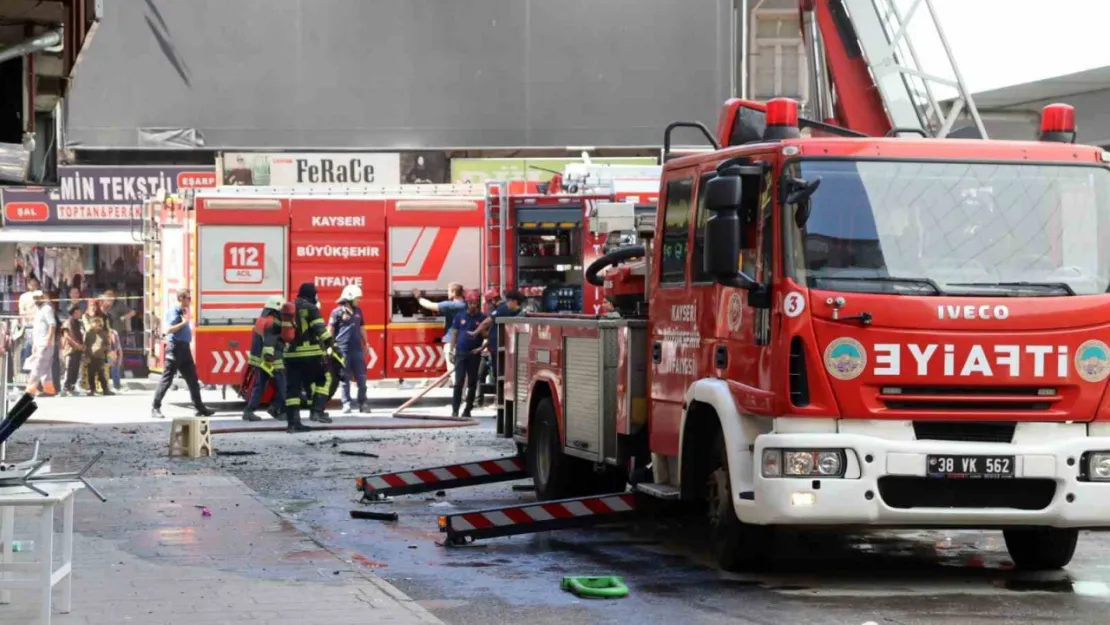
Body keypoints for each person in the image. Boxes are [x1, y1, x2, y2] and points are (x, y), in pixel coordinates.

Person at [151, 290, 213, 419]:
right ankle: (155, 407)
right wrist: (185, 322)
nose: (190, 301)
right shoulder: (174, 311)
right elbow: (170, 329)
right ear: (181, 298)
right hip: (175, 348)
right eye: (188, 298)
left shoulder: (184, 311)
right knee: (167, 380)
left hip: (185, 349)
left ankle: (200, 407)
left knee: (193, 380)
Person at [284, 283, 336, 432]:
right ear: (311, 293)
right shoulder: (311, 308)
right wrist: (334, 346)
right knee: (324, 379)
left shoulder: (290, 307)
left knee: (293, 390)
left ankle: (293, 424)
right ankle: (317, 411)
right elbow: (321, 331)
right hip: (309, 354)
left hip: (290, 356)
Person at [243, 296, 292, 422]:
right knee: (283, 385)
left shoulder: (261, 319)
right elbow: (270, 341)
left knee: (260, 386)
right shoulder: (273, 322)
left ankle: (248, 411)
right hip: (272, 360)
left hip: (260, 359)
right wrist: (270, 356)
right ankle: (277, 410)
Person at [470, 290, 525, 383]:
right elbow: (495, 333)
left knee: (498, 373)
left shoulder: (502, 309)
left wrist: (475, 332)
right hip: (505, 349)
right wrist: (482, 347)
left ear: (514, 301)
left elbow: (486, 322)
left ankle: (500, 394)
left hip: (500, 349)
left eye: (508, 301)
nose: (506, 303)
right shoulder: (517, 312)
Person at [330, 285, 369, 414]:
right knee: (344, 379)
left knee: (362, 378)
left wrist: (366, 343)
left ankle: (363, 403)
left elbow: (362, 327)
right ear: (349, 298)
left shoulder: (359, 311)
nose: (359, 301)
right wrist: (329, 346)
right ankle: (346, 404)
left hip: (357, 349)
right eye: (357, 298)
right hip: (343, 350)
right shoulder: (337, 312)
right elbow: (330, 330)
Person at [450, 291, 487, 417]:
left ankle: (467, 410)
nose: (472, 305)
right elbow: (454, 333)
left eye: (475, 303)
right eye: (470, 303)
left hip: (474, 354)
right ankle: (455, 410)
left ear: (477, 303)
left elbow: (486, 335)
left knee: (472, 382)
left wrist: (482, 347)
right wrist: (451, 350)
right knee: (458, 382)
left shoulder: (482, 318)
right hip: (460, 353)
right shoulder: (460, 316)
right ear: (467, 303)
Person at [413, 282, 465, 366]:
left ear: (454, 292)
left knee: (454, 373)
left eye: (448, 291)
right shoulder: (467, 306)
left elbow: (429, 305)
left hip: (453, 344)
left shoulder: (451, 305)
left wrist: (418, 296)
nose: (447, 293)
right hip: (466, 344)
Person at [23, 291, 56, 396]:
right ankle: (49, 389)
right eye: (35, 298)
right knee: (45, 368)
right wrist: (34, 345)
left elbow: (52, 324)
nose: (36, 299)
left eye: (38, 297)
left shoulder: (47, 309)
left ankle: (30, 389)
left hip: (45, 343)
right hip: (39, 343)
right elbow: (37, 329)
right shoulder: (38, 310)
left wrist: (48, 340)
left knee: (38, 366)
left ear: (42, 297)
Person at [82, 304, 112, 396]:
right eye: (95, 323)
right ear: (91, 324)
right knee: (91, 374)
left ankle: (105, 389)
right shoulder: (89, 334)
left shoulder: (103, 333)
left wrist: (106, 351)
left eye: (99, 323)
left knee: (101, 374)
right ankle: (92, 389)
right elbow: (86, 345)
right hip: (91, 356)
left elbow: (107, 344)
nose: (97, 325)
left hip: (100, 357)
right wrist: (86, 356)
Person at [60, 304, 85, 396]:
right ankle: (65, 388)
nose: (80, 312)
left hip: (78, 350)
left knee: (75, 369)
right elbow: (66, 336)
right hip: (70, 349)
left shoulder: (77, 322)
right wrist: (76, 345)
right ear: (75, 311)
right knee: (69, 369)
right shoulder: (67, 322)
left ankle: (72, 387)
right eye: (79, 310)